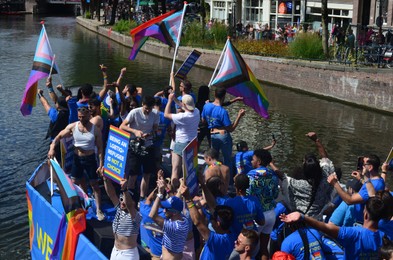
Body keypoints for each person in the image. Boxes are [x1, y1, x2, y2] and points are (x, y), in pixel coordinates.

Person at [279, 196, 387, 259]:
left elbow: (326, 227)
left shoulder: (354, 234)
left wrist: (303, 217)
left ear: (366, 215)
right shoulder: (385, 238)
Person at [48, 106, 105, 221]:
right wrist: (52, 147)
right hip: (77, 159)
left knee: (94, 185)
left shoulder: (95, 130)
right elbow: (58, 136)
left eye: (83, 117)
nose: (81, 119)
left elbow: (100, 148)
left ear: (89, 116)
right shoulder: (73, 127)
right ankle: (80, 204)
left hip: (90, 159)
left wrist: (101, 164)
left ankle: (99, 210)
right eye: (79, 117)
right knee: (74, 183)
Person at [279, 132, 335, 219]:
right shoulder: (326, 179)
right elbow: (325, 159)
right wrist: (316, 140)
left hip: (299, 220)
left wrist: (270, 163)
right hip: (316, 221)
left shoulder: (298, 184)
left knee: (282, 204)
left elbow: (283, 177)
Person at [180, 183, 236, 260]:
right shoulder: (231, 233)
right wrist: (203, 184)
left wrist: (188, 199)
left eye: (212, 218)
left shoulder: (217, 240)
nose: (211, 219)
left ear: (218, 224)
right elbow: (213, 205)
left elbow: (198, 222)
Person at [120, 95, 159, 200]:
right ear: (142, 104)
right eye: (146, 108)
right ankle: (130, 197)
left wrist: (150, 134)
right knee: (133, 174)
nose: (147, 111)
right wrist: (135, 131)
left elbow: (155, 128)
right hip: (134, 146)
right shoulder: (134, 112)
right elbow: (122, 126)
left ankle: (142, 197)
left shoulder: (155, 114)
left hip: (148, 145)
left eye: (149, 109)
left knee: (147, 173)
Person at [327, 154, 385, 224]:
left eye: (363, 164)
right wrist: (361, 179)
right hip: (354, 210)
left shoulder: (375, 185)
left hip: (357, 219)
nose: (362, 166)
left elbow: (349, 201)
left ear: (370, 167)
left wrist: (335, 183)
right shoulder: (378, 180)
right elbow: (367, 190)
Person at [201, 86, 245, 171]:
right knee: (227, 160)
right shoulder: (223, 112)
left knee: (213, 158)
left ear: (214, 94)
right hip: (223, 136)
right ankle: (229, 182)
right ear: (224, 96)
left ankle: (208, 175)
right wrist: (239, 116)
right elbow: (231, 128)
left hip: (212, 135)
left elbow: (203, 121)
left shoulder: (206, 106)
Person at [246, 149, 279, 260]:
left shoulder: (251, 176)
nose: (251, 161)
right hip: (271, 214)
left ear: (258, 161)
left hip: (257, 216)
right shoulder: (273, 176)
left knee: (248, 250)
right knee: (264, 248)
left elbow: (248, 195)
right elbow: (275, 195)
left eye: (253, 159)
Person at [164, 93, 200, 189]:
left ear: (184, 105)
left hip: (181, 143)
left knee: (175, 169)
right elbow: (183, 105)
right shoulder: (197, 111)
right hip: (192, 143)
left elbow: (166, 114)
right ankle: (188, 190)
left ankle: (174, 192)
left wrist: (169, 100)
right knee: (189, 170)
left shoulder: (182, 117)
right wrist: (174, 98)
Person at [149, 178, 189, 260]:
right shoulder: (184, 220)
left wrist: (160, 194)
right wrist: (167, 187)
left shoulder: (174, 227)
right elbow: (176, 201)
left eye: (166, 209)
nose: (164, 210)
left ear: (174, 212)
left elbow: (152, 215)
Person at [102, 177, 141, 259]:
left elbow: (129, 205)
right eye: (121, 198)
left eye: (125, 199)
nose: (122, 202)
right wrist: (106, 179)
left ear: (134, 202)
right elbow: (111, 194)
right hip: (115, 251)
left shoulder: (135, 216)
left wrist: (125, 190)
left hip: (128, 255)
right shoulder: (119, 209)